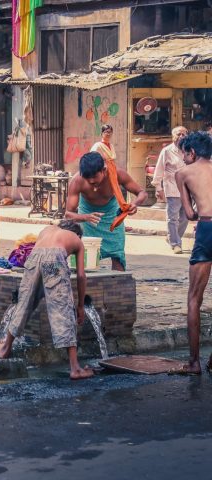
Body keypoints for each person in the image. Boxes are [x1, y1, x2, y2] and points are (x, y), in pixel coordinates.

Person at [0, 220, 93, 380]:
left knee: (24, 304)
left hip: (34, 257)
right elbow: (81, 276)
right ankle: (75, 368)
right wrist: (80, 306)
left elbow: (41, 259)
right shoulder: (76, 240)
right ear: (77, 234)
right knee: (63, 309)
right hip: (54, 261)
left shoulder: (47, 230)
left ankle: (5, 348)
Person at [172, 131, 212, 375]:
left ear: (192, 152)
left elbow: (188, 214)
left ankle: (194, 362)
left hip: (207, 229)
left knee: (194, 298)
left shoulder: (183, 174)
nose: (183, 158)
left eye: (184, 153)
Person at [66, 152, 147, 271]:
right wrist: (85, 217)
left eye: (94, 176)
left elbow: (142, 193)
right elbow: (68, 214)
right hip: (87, 218)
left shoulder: (117, 174)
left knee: (117, 254)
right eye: (88, 178)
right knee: (87, 258)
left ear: (103, 170)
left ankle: (117, 284)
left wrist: (135, 204)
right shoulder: (77, 181)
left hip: (112, 216)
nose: (92, 181)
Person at [151, 126, 188, 254]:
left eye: (184, 134)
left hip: (187, 189)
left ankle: (172, 237)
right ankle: (176, 243)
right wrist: (158, 187)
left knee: (186, 217)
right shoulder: (166, 151)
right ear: (173, 136)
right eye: (179, 134)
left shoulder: (189, 150)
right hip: (172, 188)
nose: (182, 136)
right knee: (173, 218)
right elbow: (159, 170)